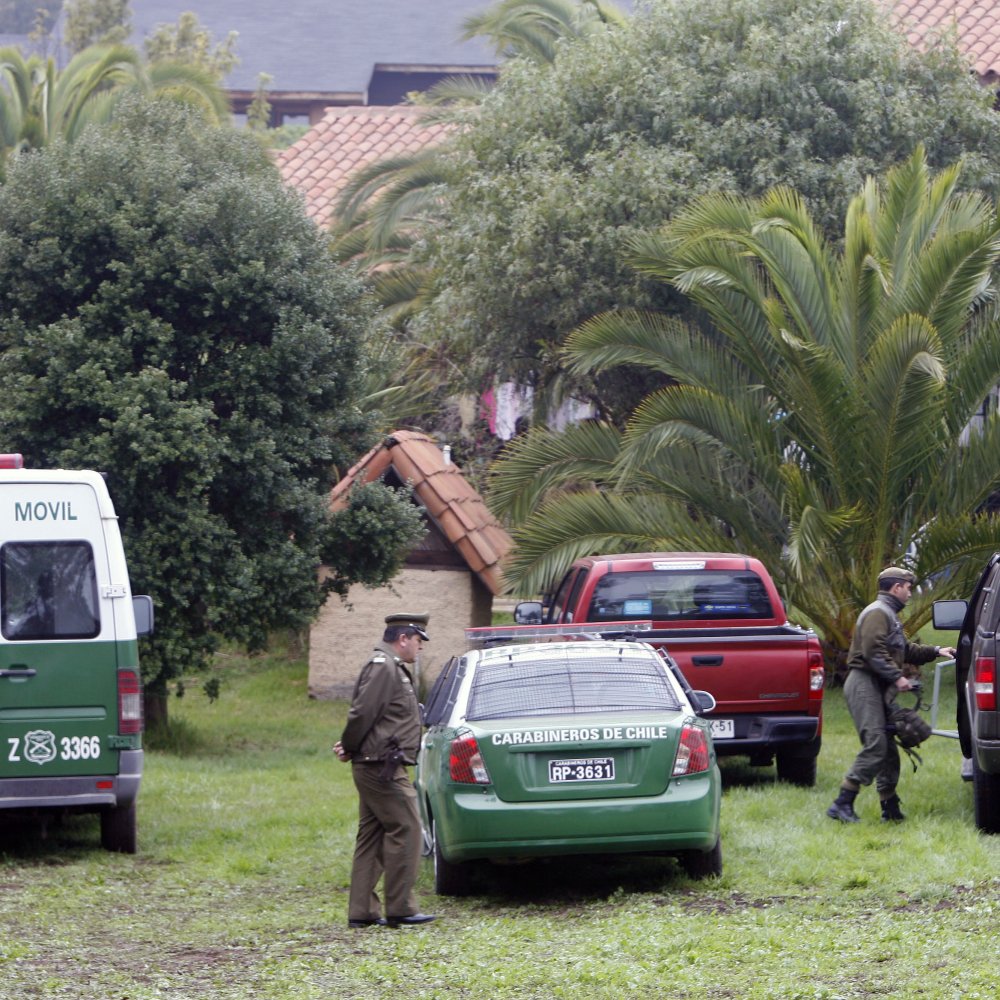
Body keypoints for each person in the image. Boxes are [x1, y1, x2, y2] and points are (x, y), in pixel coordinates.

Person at [827, 567, 956, 824]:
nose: (910, 593)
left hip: (878, 685)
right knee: (876, 743)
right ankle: (842, 803)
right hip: (865, 683)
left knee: (887, 749)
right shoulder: (878, 612)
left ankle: (890, 807)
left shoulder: (889, 615)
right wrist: (898, 678)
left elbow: (904, 649)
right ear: (896, 587)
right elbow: (873, 652)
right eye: (908, 588)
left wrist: (937, 650)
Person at [333, 612, 436, 928]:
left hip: (376, 763)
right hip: (381, 766)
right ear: (403, 638)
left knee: (372, 836)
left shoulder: (391, 667)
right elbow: (363, 712)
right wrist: (349, 746)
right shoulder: (384, 667)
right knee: (407, 827)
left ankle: (362, 911)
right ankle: (400, 907)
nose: (419, 648)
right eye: (418, 641)